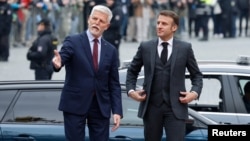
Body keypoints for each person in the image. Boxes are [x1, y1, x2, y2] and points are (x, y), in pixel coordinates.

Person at [126, 10, 203, 141]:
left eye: (164, 24)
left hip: (175, 109)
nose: (159, 26)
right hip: (151, 108)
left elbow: (197, 76)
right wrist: (131, 90)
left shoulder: (185, 48)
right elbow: (132, 71)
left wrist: (193, 93)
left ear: (174, 28)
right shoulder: (146, 47)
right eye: (158, 23)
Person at [52, 5, 123, 141]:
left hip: (100, 107)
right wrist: (58, 64)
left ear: (107, 26)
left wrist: (117, 110)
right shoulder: (73, 41)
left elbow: (114, 84)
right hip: (75, 104)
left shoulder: (111, 50)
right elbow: (62, 57)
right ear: (88, 20)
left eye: (101, 21)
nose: (97, 22)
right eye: (94, 19)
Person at [103, 0, 123, 67]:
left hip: (114, 36)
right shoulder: (107, 9)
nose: (107, 1)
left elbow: (117, 23)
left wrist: (106, 25)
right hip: (107, 36)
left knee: (115, 54)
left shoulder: (117, 9)